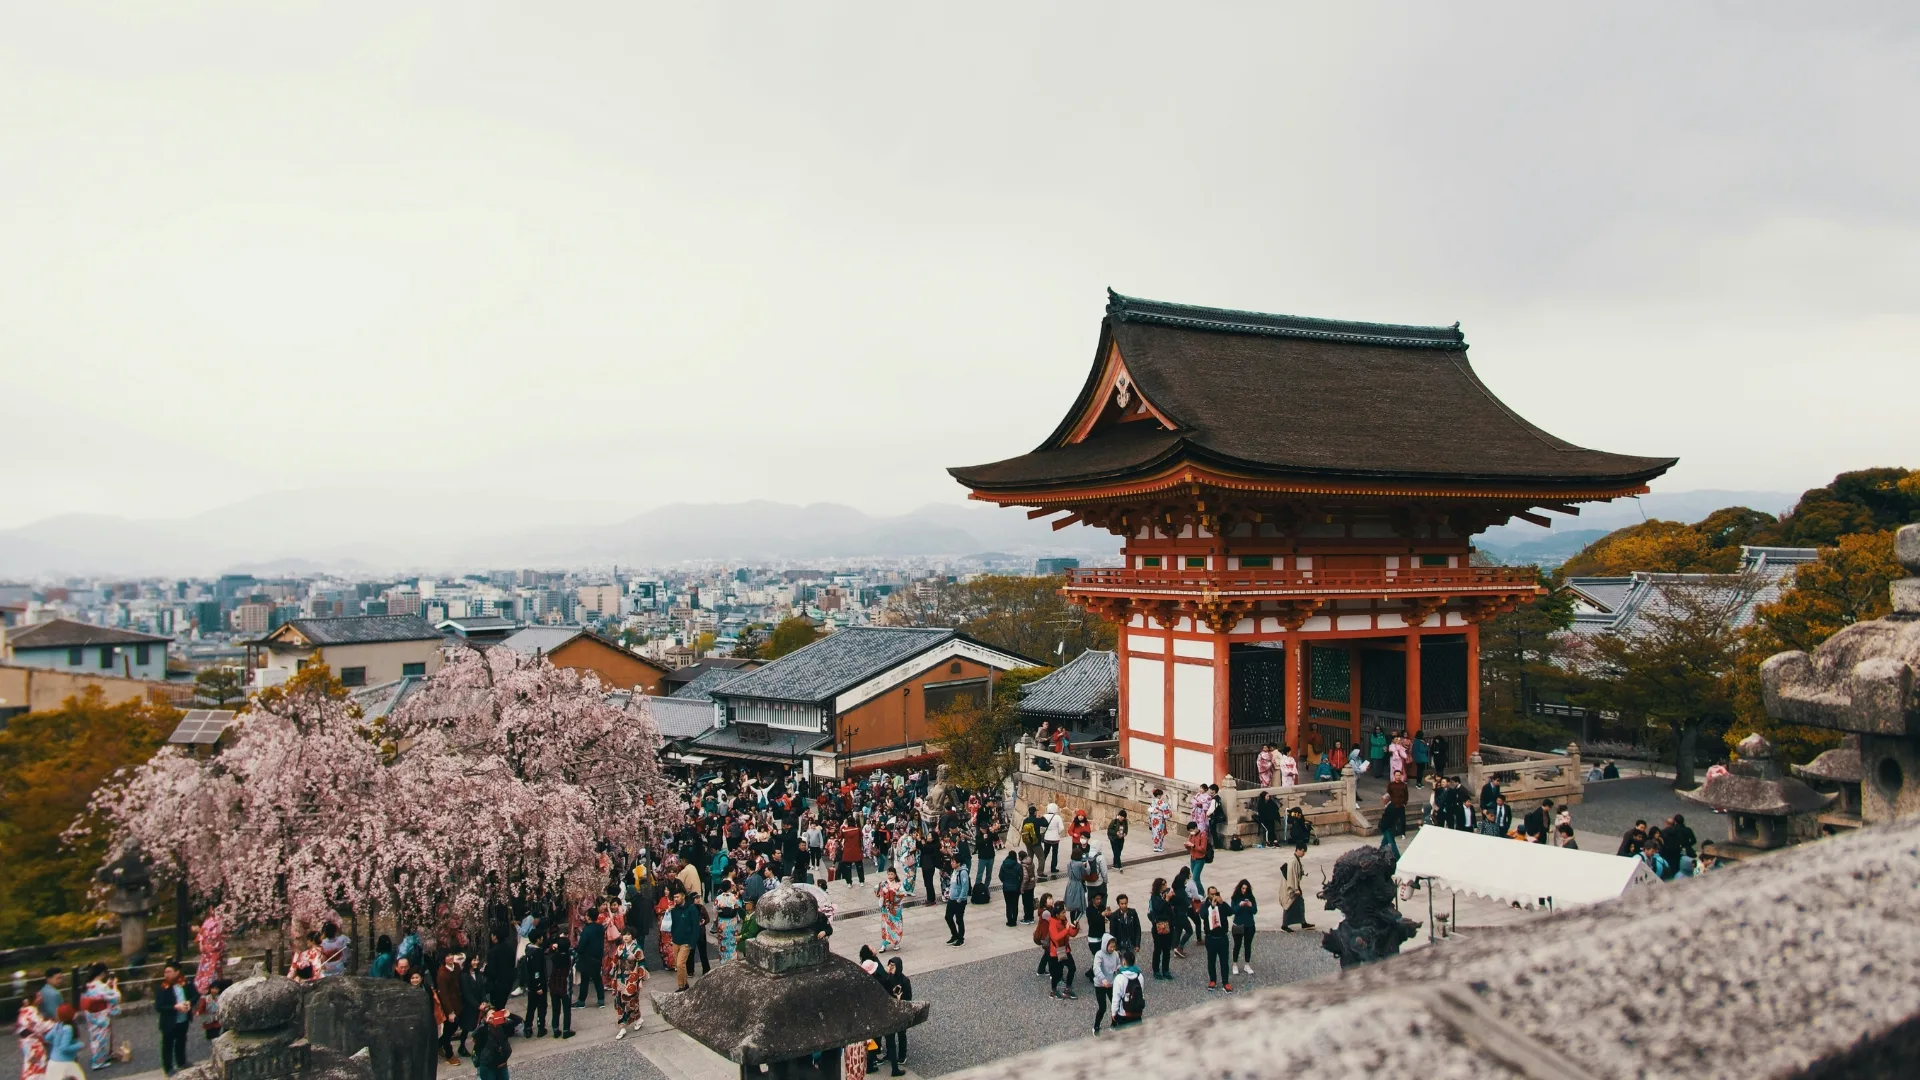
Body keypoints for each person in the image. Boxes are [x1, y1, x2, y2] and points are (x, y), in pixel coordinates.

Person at [155, 963, 199, 1075]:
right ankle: (168, 1067)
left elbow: (195, 995)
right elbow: (159, 1006)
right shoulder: (163, 987)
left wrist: (189, 1003)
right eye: (165, 972)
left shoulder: (185, 982)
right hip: (169, 1021)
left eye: (169, 971)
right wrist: (175, 1007)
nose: (166, 974)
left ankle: (182, 1061)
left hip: (183, 1018)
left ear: (177, 972)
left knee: (181, 1040)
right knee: (167, 1044)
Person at [77, 963, 120, 1071]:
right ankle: (97, 1062)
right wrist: (114, 985)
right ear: (102, 973)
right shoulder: (100, 986)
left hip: (91, 1015)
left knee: (94, 1037)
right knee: (101, 1038)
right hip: (100, 1014)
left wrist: (106, 984)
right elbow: (115, 996)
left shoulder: (87, 985)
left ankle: (100, 1058)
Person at [877, 958, 912, 1075]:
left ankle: (902, 1056)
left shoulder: (904, 981)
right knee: (889, 1036)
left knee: (901, 1034)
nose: (891, 967)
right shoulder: (887, 979)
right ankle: (890, 1055)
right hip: (889, 1011)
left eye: (893, 965)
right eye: (889, 965)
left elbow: (908, 997)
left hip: (900, 1011)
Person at [612, 931, 647, 1038]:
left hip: (632, 977)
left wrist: (640, 980)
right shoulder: (620, 947)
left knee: (631, 1001)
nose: (626, 937)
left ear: (633, 936)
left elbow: (641, 963)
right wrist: (613, 975)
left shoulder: (637, 949)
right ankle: (622, 1027)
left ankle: (638, 1018)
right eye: (624, 935)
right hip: (620, 977)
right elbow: (614, 961)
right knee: (619, 1002)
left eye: (628, 934)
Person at [1199, 885, 1233, 992]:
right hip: (1211, 938)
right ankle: (1212, 980)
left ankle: (1225, 981)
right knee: (1211, 960)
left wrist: (1222, 903)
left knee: (1224, 961)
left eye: (1215, 893)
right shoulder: (1205, 905)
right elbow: (1203, 915)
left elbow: (1230, 912)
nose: (1214, 896)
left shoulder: (1221, 904)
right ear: (1208, 894)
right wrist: (1212, 907)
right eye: (1212, 894)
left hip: (1222, 937)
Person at [471, 1004, 518, 1080]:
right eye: (490, 1015)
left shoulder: (502, 1026)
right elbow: (475, 1034)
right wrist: (486, 1023)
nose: (493, 1017)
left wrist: (508, 1014)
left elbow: (518, 1021)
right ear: (485, 1018)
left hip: (502, 1064)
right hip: (488, 1066)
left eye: (494, 1014)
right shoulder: (484, 1030)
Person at [517, 930, 549, 1038]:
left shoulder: (528, 949)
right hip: (538, 983)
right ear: (538, 939)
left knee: (531, 1006)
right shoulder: (538, 953)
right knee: (541, 1006)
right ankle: (541, 1027)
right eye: (541, 937)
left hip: (530, 984)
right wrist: (539, 985)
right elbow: (537, 971)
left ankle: (528, 1027)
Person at [1046, 901, 1080, 999]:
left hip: (1064, 949)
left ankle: (1067, 989)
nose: (1065, 914)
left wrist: (1076, 928)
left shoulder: (1063, 920)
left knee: (1072, 968)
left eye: (1065, 912)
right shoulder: (1052, 922)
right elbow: (1055, 937)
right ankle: (1053, 991)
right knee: (1057, 973)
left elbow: (1072, 934)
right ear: (1057, 914)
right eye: (1063, 913)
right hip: (1056, 952)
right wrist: (1066, 929)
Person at [1279, 843, 1315, 932]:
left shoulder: (1296, 859)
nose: (1303, 853)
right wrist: (1295, 889)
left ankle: (1303, 922)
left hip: (1294, 885)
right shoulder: (1293, 861)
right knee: (1289, 904)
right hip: (1291, 886)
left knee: (1299, 903)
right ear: (1297, 850)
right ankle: (1284, 925)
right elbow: (1291, 875)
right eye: (1302, 851)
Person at [670, 891, 702, 992]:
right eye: (674, 897)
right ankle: (686, 983)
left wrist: (692, 942)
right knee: (678, 965)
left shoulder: (691, 909)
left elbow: (695, 927)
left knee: (680, 964)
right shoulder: (674, 910)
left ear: (683, 897)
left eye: (677, 897)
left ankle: (681, 986)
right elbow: (673, 925)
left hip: (686, 941)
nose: (675, 899)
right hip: (676, 940)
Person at [575, 908, 607, 1007]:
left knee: (584, 980)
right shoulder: (600, 928)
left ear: (588, 916)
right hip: (597, 957)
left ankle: (581, 1001)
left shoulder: (587, 930)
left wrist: (577, 949)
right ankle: (601, 1000)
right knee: (597, 979)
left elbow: (581, 946)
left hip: (587, 957)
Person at [544, 935, 575, 1038]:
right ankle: (566, 1030)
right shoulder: (570, 957)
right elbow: (575, 951)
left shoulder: (553, 957)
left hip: (554, 986)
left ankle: (555, 1029)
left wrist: (554, 945)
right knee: (567, 1010)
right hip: (565, 987)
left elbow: (548, 951)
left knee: (555, 1009)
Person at [43, 1005, 85, 1080]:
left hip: (53, 1062)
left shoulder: (57, 1025)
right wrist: (79, 1045)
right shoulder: (68, 1028)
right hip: (65, 1063)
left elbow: (47, 1038)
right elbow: (64, 1048)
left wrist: (56, 1042)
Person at [1090, 935, 1121, 1034]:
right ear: (1105, 945)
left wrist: (1118, 968)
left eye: (1114, 946)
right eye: (1111, 946)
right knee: (1102, 1007)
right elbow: (1096, 968)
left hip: (1111, 984)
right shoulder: (1099, 955)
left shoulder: (1115, 954)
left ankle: (1114, 1024)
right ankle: (1096, 1026)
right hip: (1100, 985)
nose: (1112, 948)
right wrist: (1103, 980)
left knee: (1115, 1005)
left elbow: (1118, 963)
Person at [1146, 878, 1175, 981]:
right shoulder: (1155, 897)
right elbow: (1158, 909)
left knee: (1167, 950)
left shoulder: (1166, 895)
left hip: (1168, 925)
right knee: (1158, 949)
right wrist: (1166, 900)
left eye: (1166, 884)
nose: (1165, 886)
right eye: (1163, 884)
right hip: (1159, 926)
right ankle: (1156, 970)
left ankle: (1165, 970)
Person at [1229, 879, 1258, 977]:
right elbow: (1233, 910)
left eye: (1246, 888)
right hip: (1238, 924)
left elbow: (1255, 911)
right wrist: (1240, 905)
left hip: (1249, 925)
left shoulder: (1251, 897)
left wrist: (1250, 905)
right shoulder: (1235, 898)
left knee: (1248, 945)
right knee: (1237, 945)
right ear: (1240, 888)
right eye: (1243, 888)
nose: (1244, 890)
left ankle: (1247, 964)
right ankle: (1235, 964)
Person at [1109, 951, 1145, 1030]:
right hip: (1137, 1012)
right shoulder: (1140, 975)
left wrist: (1114, 1013)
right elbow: (1141, 993)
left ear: (1124, 962)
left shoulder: (1119, 978)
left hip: (1124, 1013)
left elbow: (1116, 998)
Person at [1380, 771, 1409, 857]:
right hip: (1388, 825)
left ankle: (1402, 833)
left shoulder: (1404, 785)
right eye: (1397, 775)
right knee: (1388, 840)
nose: (1398, 776)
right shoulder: (1391, 786)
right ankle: (1383, 852)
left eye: (1399, 775)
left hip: (1399, 808)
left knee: (1389, 840)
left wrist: (1404, 803)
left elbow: (1406, 795)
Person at [876, 869, 906, 950]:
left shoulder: (899, 885)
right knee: (885, 926)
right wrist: (883, 895)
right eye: (888, 874)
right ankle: (884, 944)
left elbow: (902, 894)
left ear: (895, 875)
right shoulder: (883, 884)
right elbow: (877, 890)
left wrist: (893, 897)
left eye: (892, 874)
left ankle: (895, 943)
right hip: (885, 908)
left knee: (896, 926)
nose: (890, 876)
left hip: (895, 909)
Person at [944, 859, 970, 946]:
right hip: (952, 898)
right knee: (948, 917)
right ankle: (954, 935)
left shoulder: (963, 873)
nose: (951, 863)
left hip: (959, 900)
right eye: (951, 861)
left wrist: (960, 899)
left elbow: (965, 887)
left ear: (958, 863)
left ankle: (961, 938)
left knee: (959, 919)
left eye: (953, 862)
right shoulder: (954, 871)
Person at [1108, 893, 1141, 958]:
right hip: (1121, 945)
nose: (1124, 905)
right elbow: (1112, 933)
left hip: (1131, 944)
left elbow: (1137, 928)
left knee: (1131, 963)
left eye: (1125, 903)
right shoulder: (1114, 916)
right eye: (1122, 904)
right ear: (1118, 904)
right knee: (1122, 964)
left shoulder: (1133, 912)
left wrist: (1137, 944)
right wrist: (1116, 948)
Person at [998, 850, 1025, 927]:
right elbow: (1021, 877)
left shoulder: (1003, 865)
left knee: (1008, 904)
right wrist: (1018, 884)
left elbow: (1000, 876)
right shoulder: (1018, 866)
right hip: (1015, 888)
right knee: (1015, 904)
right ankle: (1014, 920)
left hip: (1006, 888)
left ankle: (1009, 920)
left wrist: (1005, 881)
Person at [1184, 823, 1211, 891]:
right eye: (1189, 831)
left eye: (1191, 830)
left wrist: (1193, 845)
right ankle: (1198, 892)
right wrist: (1187, 845)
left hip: (1200, 859)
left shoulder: (1203, 835)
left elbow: (1203, 849)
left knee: (1195, 878)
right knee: (1196, 878)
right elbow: (1190, 849)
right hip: (1192, 858)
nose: (1191, 832)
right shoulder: (1191, 836)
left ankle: (1201, 893)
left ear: (1196, 828)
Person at [1041, 803, 1065, 877]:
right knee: (1055, 853)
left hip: (1047, 838)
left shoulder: (1044, 816)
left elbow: (1041, 827)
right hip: (1055, 838)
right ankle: (1053, 867)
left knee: (1045, 852)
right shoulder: (1057, 817)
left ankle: (1041, 867)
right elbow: (1062, 828)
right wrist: (1058, 833)